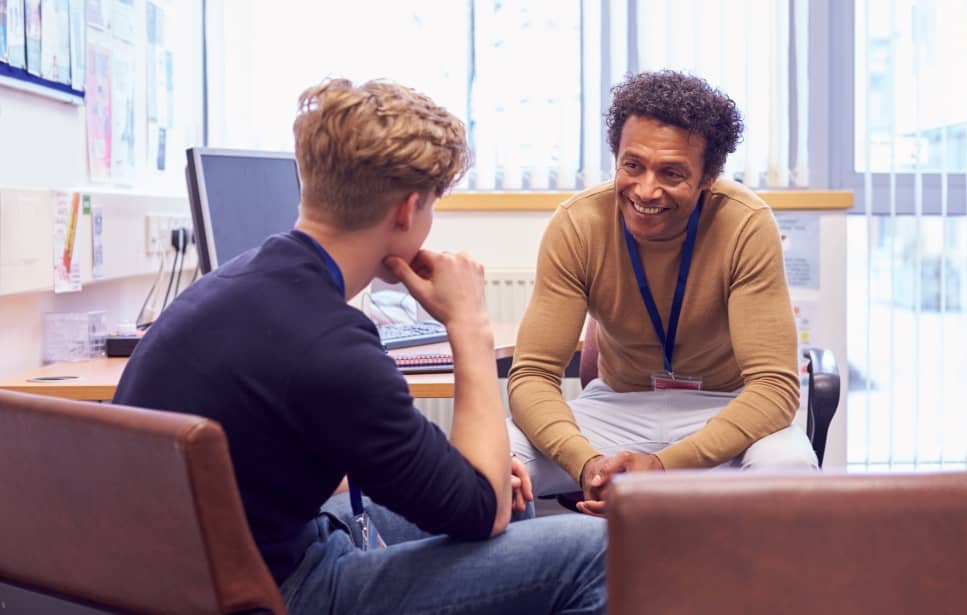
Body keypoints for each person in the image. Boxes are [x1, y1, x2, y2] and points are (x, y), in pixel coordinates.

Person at [114, 78, 606, 614]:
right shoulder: (332, 347)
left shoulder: (233, 283)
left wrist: (475, 484)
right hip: (277, 593)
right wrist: (469, 323)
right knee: (600, 550)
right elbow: (481, 512)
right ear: (407, 210)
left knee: (513, 500)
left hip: (199, 574)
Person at [508, 70, 818, 516]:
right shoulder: (578, 223)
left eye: (671, 173)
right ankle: (551, 562)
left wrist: (662, 467)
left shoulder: (745, 224)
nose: (646, 190)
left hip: (723, 409)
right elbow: (533, 375)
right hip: (616, 409)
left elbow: (774, 388)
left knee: (788, 470)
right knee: (495, 461)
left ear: (709, 176)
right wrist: (587, 464)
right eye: (632, 165)